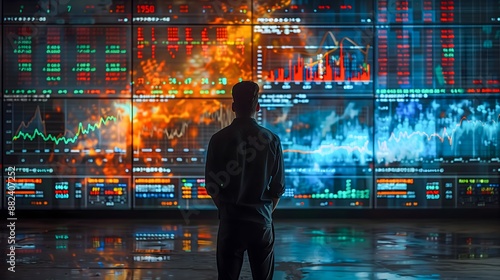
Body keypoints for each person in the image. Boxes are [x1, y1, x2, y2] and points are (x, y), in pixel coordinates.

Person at [205, 81, 285, 280]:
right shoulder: (272, 139)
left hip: (231, 222)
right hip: (261, 223)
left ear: (233, 107)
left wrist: (226, 208)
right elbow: (278, 188)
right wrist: (263, 211)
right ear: (257, 107)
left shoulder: (218, 139)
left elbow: (212, 186)